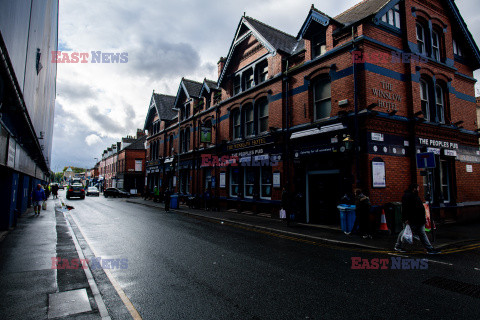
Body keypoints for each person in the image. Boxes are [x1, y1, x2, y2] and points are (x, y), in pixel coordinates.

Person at [395, 183, 441, 254]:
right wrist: (406, 219)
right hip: (413, 219)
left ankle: (430, 248)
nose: (419, 190)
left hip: (418, 219)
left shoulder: (413, 195)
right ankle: (398, 246)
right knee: (405, 231)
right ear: (414, 189)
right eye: (418, 188)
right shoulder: (408, 196)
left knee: (422, 233)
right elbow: (406, 208)